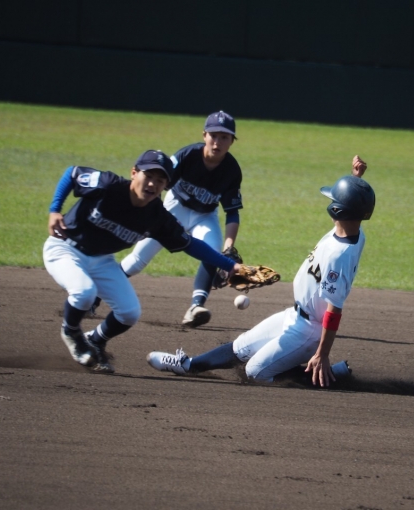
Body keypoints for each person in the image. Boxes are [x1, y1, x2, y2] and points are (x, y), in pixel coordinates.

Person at [147, 156, 374, 387]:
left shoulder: (339, 255)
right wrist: (354, 181)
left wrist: (322, 354)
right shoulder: (351, 230)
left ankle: (331, 374)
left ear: (338, 209)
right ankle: (188, 365)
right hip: (294, 316)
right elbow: (352, 209)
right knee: (241, 347)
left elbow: (334, 311)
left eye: (334, 199)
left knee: (255, 372)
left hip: (309, 331)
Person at [43, 149, 243, 374]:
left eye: (160, 180)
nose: (152, 184)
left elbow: (191, 244)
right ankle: (71, 331)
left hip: (102, 261)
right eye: (148, 176)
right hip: (65, 249)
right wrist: (54, 210)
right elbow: (73, 173)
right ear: (134, 173)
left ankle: (95, 341)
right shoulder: (109, 185)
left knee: (129, 313)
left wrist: (231, 266)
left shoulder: (157, 216)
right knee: (84, 292)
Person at [114, 111, 243, 328]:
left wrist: (228, 246)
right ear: (204, 135)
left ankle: (196, 307)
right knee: (138, 259)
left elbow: (232, 212)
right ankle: (95, 297)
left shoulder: (232, 170)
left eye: (224, 137)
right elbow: (157, 185)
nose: (217, 142)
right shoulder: (187, 156)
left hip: (205, 215)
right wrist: (150, 215)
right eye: (213, 135)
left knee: (212, 252)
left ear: (232, 141)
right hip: (174, 207)